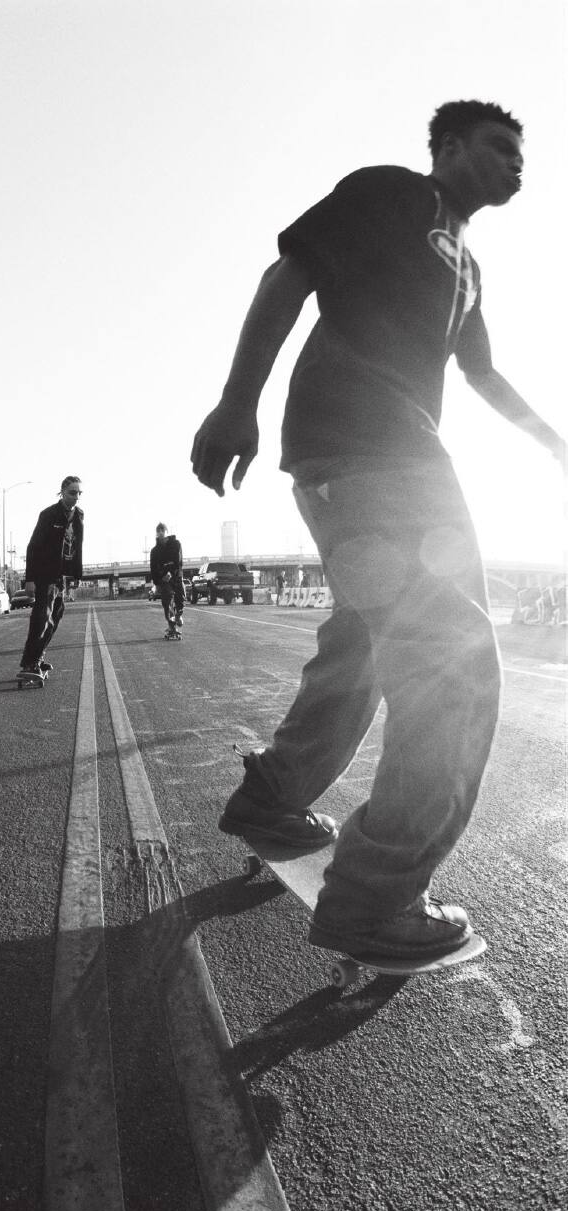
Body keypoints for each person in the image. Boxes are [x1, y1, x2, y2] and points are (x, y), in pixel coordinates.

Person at [191, 100, 565, 962]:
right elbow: (290, 273)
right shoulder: (393, 195)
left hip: (375, 460)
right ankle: (376, 895)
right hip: (373, 449)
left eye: (524, 156)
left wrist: (550, 440)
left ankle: (274, 797)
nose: (518, 165)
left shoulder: (467, 264)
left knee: (363, 639)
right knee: (455, 662)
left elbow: (482, 372)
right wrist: (238, 399)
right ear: (448, 148)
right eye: (501, 148)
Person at [17, 476, 83, 678]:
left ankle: (38, 657)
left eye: (79, 493)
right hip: (45, 573)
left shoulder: (79, 515)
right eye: (72, 492)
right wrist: (29, 580)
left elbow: (79, 545)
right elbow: (33, 547)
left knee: (56, 615)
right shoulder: (48, 515)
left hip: (61, 575)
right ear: (62, 491)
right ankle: (30, 663)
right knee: (41, 618)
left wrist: (76, 574)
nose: (76, 497)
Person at [149, 523, 186, 635]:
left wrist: (172, 571)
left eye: (162, 530)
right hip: (164, 579)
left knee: (181, 597)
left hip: (176, 575)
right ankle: (171, 626)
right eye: (158, 531)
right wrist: (158, 581)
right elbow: (153, 568)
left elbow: (178, 561)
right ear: (156, 533)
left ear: (167, 532)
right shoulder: (154, 551)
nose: (160, 532)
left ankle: (178, 615)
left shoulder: (176, 544)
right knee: (167, 600)